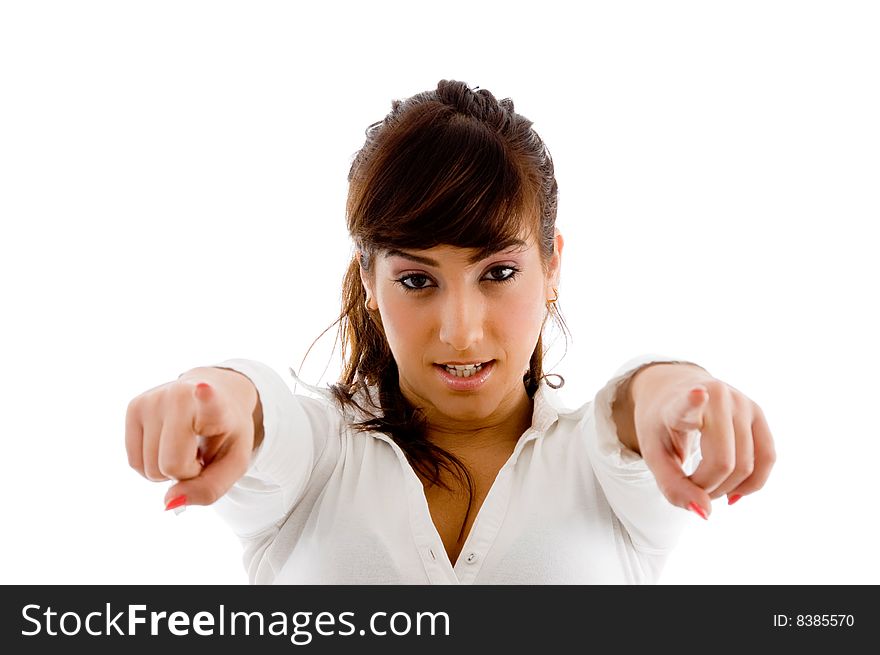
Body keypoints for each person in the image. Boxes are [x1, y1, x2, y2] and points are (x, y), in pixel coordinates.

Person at [125, 79, 775, 584]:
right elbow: (265, 416)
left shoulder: (602, 467)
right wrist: (218, 396)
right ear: (371, 281)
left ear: (552, 266)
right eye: (417, 280)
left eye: (497, 272)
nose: (461, 332)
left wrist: (677, 389)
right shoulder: (320, 458)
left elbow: (635, 407)